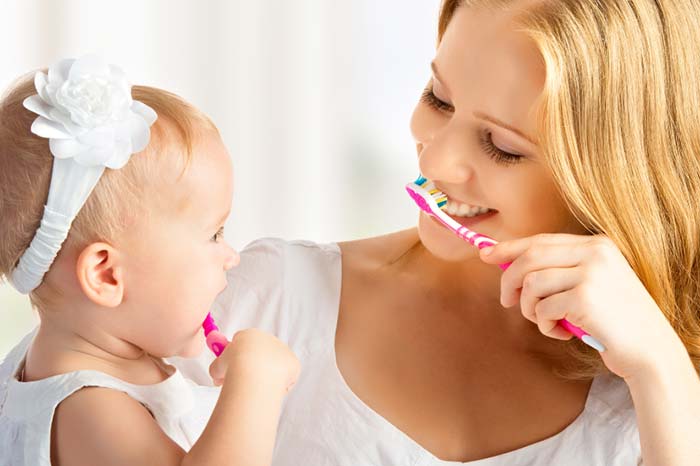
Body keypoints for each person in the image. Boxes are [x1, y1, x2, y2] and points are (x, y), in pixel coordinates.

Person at [173, 0, 700, 464]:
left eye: (502, 145)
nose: (438, 158)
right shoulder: (265, 299)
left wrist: (663, 372)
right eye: (439, 99)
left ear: (618, 178)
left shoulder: (656, 388)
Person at [0, 55, 300, 466]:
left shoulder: (45, 356)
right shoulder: (90, 412)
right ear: (106, 275)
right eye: (214, 234)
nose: (230, 257)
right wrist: (256, 382)